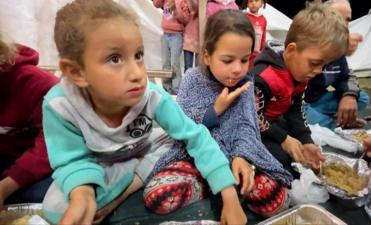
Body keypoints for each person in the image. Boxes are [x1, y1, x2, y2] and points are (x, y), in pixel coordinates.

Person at [41, 1, 245, 224]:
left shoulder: (152, 96)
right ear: (76, 72)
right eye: (115, 59)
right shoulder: (60, 106)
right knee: (56, 208)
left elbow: (195, 136)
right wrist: (83, 193)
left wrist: (229, 195)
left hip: (148, 151)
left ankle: (124, 195)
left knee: (169, 144)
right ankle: (118, 195)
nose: (138, 74)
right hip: (100, 164)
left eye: (138, 55)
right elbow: (72, 159)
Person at [148, 9, 293, 218]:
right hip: (197, 158)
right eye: (227, 60)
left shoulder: (246, 84)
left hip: (236, 155)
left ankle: (225, 185)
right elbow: (182, 127)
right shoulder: (192, 79)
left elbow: (247, 127)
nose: (237, 69)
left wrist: (242, 157)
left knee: (275, 199)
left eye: (244, 60)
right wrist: (216, 109)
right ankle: (211, 184)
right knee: (160, 195)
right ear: (207, 56)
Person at [250, 2, 349, 175]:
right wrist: (283, 139)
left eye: (324, 65)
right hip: (247, 124)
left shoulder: (300, 72)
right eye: (315, 63)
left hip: (270, 122)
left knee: (299, 149)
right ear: (291, 50)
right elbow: (252, 116)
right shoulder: (263, 77)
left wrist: (306, 140)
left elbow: (295, 109)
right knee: (283, 157)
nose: (319, 71)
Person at [0, 34, 58, 208]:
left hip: (40, 163)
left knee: (47, 197)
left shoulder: (39, 85)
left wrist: (5, 187)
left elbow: (54, 143)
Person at [304, 0, 369, 130]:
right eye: (337, 18)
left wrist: (349, 95)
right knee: (300, 115)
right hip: (300, 102)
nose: (344, 25)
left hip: (319, 100)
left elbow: (346, 75)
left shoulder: (339, 50)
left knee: (361, 98)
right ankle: (336, 123)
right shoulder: (306, 40)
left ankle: (329, 119)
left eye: (347, 20)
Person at [153, 0, 184, 94]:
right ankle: (167, 88)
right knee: (165, 62)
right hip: (165, 33)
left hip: (177, 35)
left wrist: (175, 9)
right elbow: (156, 4)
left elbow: (185, 19)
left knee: (175, 63)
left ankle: (176, 88)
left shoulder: (182, 2)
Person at [175, 0, 200, 72]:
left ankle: (197, 83)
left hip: (202, 39)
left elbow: (196, 8)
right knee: (188, 68)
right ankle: (187, 83)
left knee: (199, 71)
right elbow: (184, 18)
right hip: (189, 39)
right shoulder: (184, 2)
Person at [244, 0, 267, 69]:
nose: (253, 3)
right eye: (250, 1)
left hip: (256, 54)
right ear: (247, 4)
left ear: (262, 3)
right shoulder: (244, 17)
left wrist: (262, 51)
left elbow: (263, 37)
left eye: (256, 0)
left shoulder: (263, 19)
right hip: (245, 52)